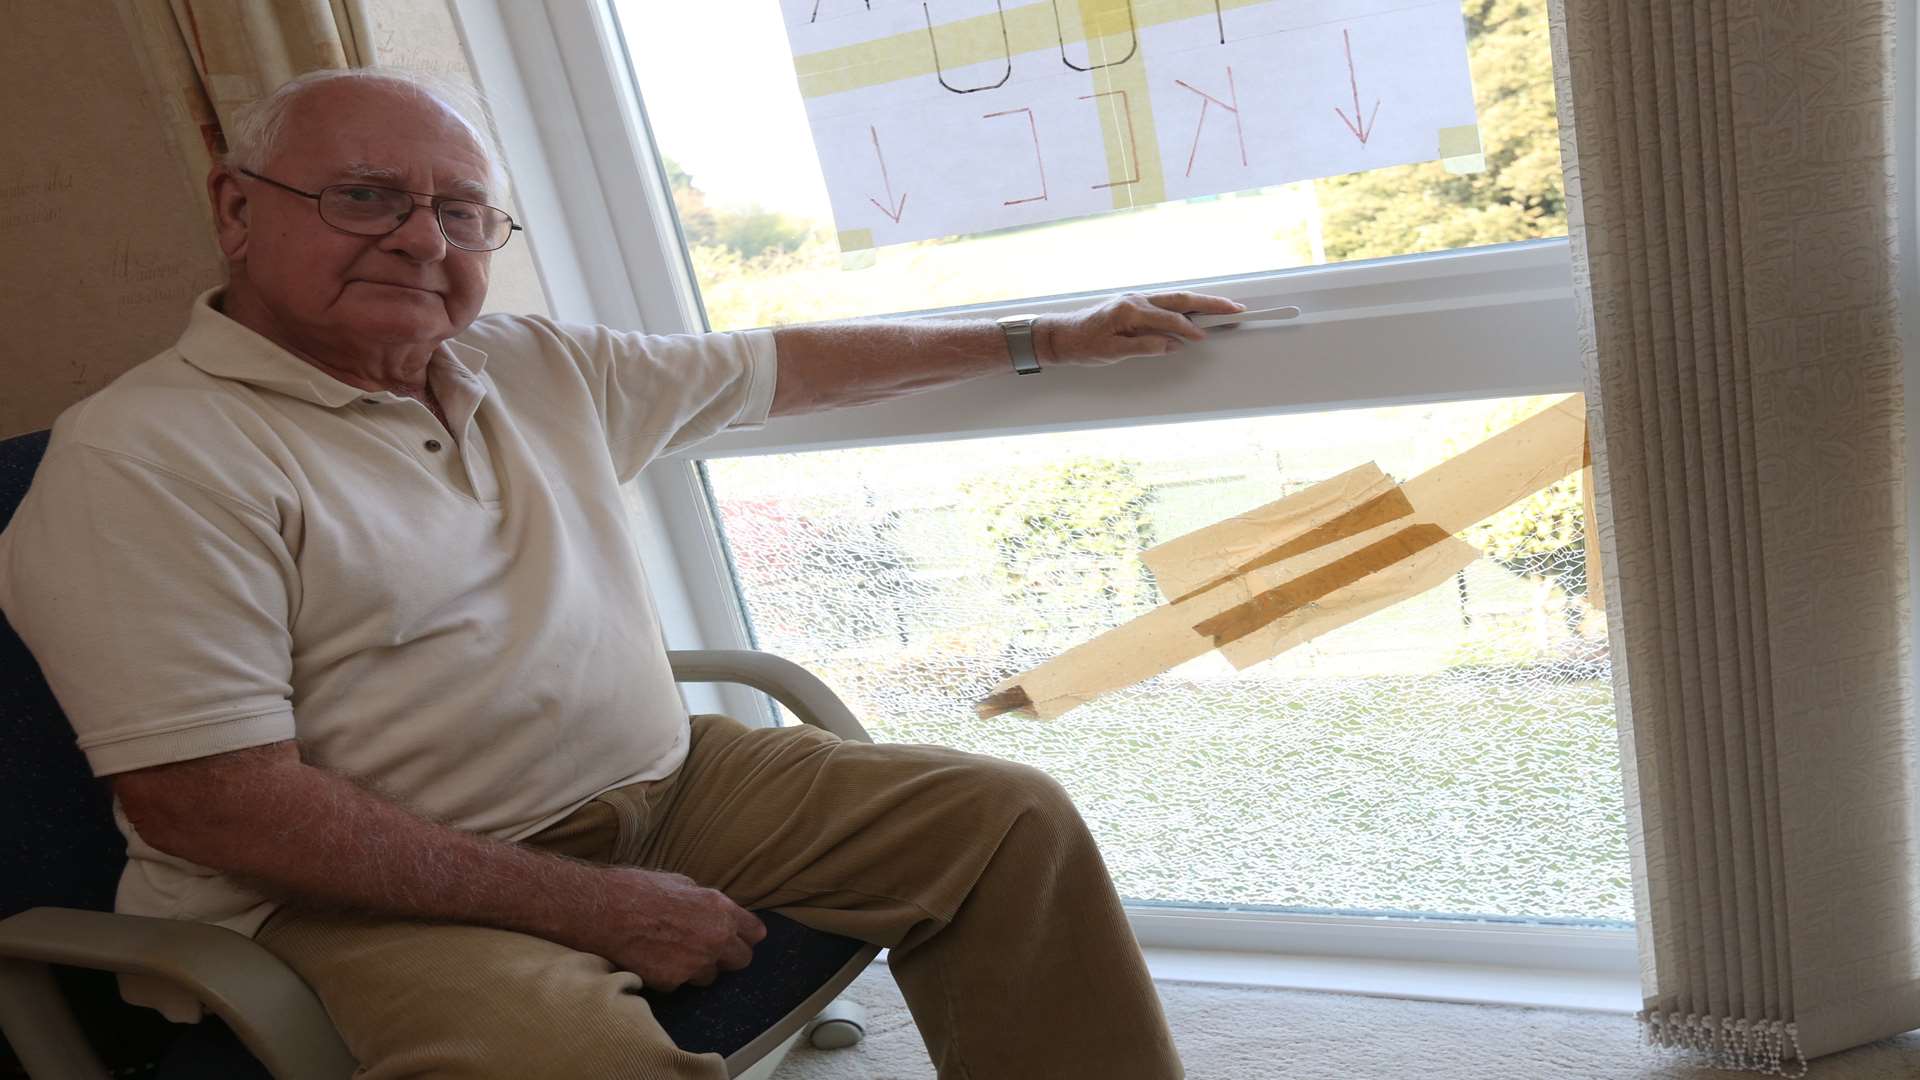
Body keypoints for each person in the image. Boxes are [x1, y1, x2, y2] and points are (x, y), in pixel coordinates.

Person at [0, 68, 1240, 1078]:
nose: (424, 239)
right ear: (237, 210)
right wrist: (589, 908)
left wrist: (1041, 340)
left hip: (663, 783)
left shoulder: (533, 363)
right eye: (368, 197)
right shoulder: (145, 459)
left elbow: (784, 365)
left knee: (1002, 823)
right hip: (349, 893)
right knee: (568, 1053)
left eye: (463, 211)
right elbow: (216, 805)